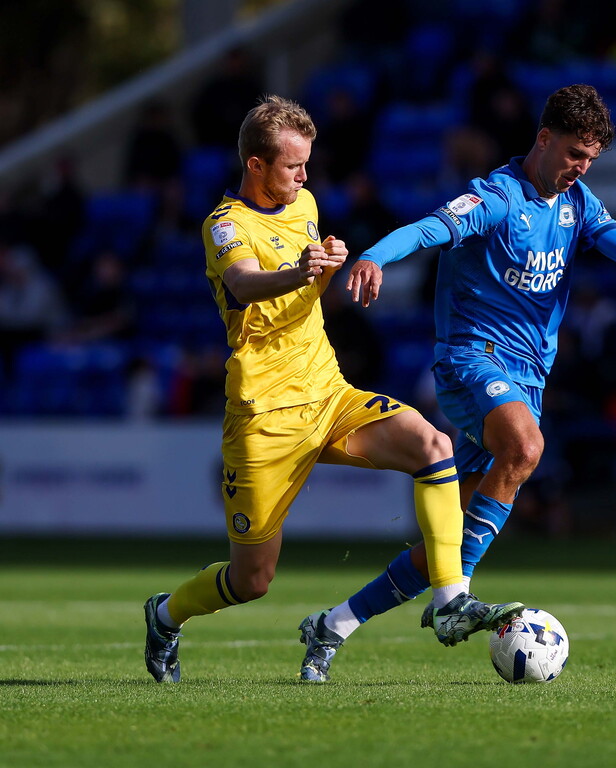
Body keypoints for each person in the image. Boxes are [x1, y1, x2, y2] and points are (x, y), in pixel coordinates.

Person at [143, 95, 522, 685]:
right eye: (293, 165)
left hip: (328, 392)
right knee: (252, 580)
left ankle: (451, 600)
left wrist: (329, 265)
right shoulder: (225, 224)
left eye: (307, 164)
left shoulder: (307, 204)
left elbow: (309, 291)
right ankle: (166, 615)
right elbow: (243, 283)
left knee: (434, 446)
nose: (304, 176)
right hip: (265, 416)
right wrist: (300, 270)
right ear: (256, 166)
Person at [345, 84, 616, 624]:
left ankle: (335, 623)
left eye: (590, 160)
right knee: (525, 446)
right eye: (574, 154)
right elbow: (429, 229)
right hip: (472, 358)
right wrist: (375, 256)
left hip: (528, 377)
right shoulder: (497, 198)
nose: (581, 168)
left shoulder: (578, 204)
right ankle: (455, 602)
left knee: (449, 536)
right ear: (544, 138)